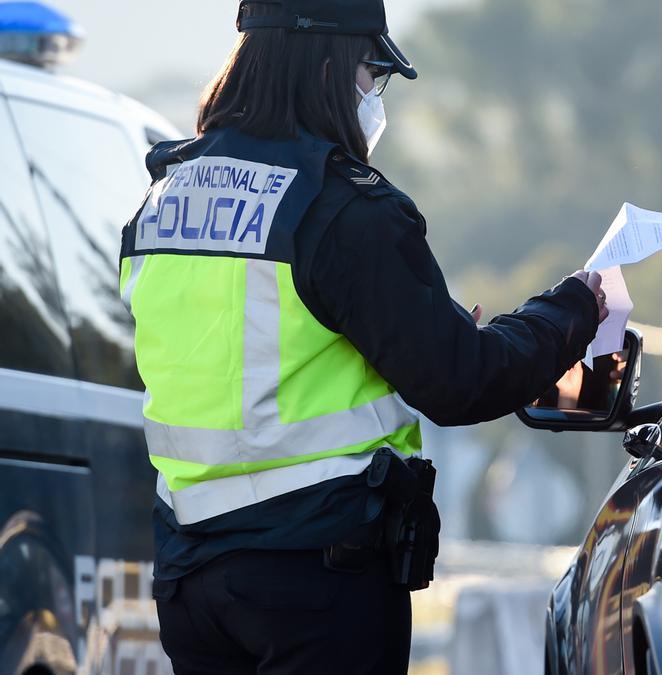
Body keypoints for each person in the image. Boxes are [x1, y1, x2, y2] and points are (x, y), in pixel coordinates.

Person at [117, 0, 607, 672]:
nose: (372, 95)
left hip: (191, 579)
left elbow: (244, 350)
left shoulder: (160, 201)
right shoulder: (340, 207)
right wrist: (574, 307)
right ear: (328, 65)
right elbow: (461, 381)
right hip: (317, 576)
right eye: (371, 73)